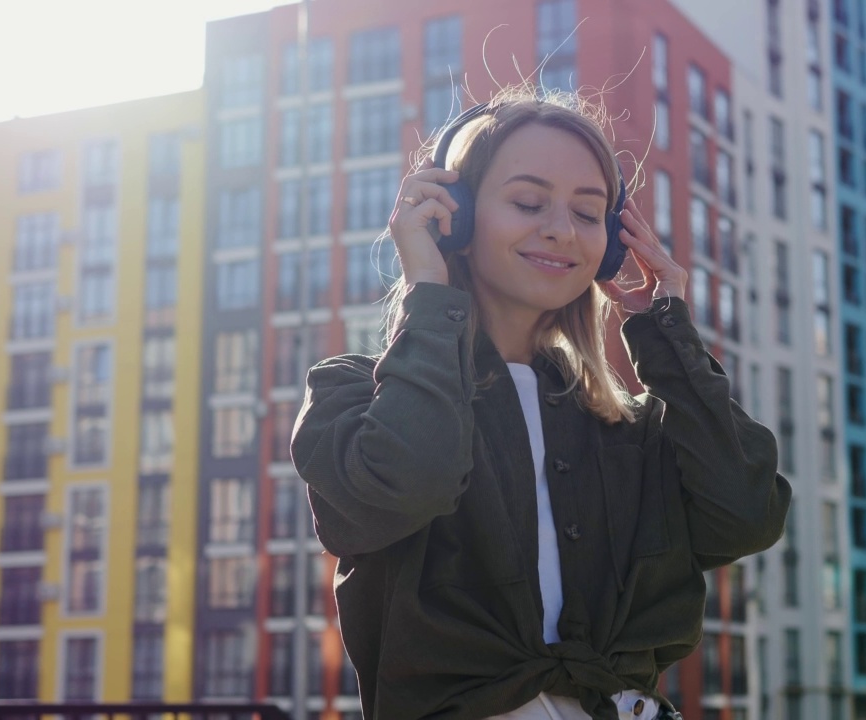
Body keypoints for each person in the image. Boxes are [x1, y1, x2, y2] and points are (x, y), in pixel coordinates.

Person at [290, 84, 792, 720]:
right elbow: (403, 486)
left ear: (612, 244)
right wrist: (428, 288)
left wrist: (663, 331)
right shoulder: (352, 396)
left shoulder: (634, 428)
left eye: (588, 215)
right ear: (457, 219)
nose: (560, 231)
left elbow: (747, 515)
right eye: (529, 202)